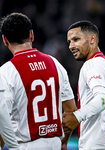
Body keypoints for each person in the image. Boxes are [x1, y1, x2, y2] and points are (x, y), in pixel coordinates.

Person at [0, 12, 77, 150]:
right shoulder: (55, 63)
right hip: (54, 143)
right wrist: (63, 142)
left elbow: (2, 117)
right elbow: (72, 111)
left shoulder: (6, 72)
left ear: (5, 40)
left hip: (25, 145)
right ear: (31, 35)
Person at [62, 20, 105, 150]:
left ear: (92, 39)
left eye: (76, 39)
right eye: (69, 42)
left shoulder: (92, 64)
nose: (71, 46)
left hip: (98, 144)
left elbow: (102, 99)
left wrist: (76, 117)